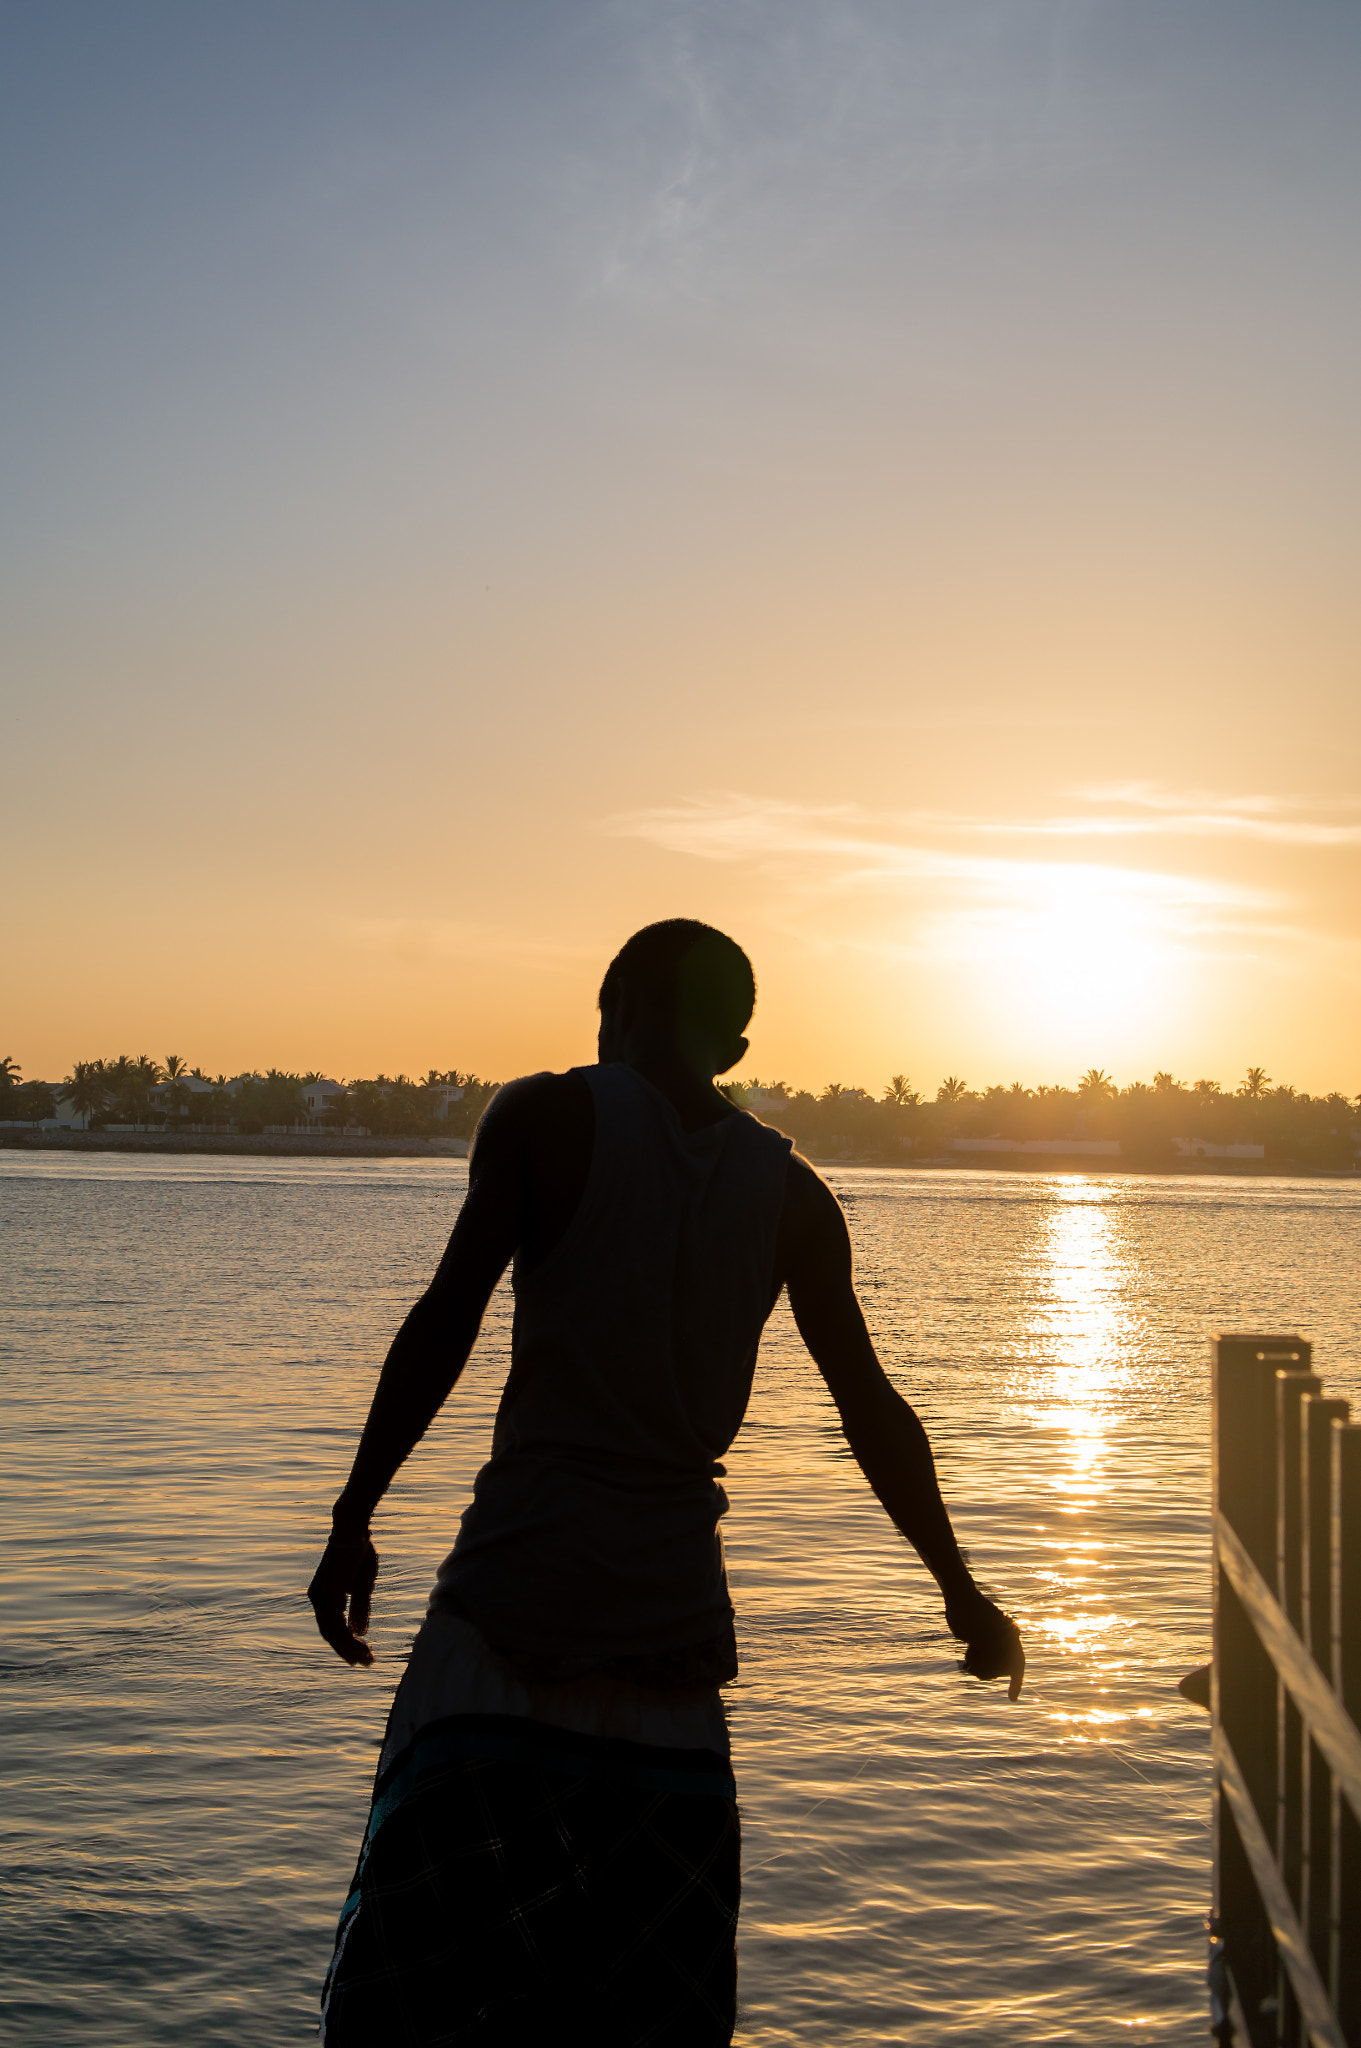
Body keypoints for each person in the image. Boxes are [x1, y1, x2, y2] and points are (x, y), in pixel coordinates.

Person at [309, 918, 1024, 2046]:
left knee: (410, 2011)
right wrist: (960, 1590)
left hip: (502, 1635)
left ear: (613, 1007)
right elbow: (872, 1410)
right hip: (672, 1672)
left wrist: (354, 1516)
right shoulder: (792, 1195)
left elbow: (446, 1318)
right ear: (732, 1045)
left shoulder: (544, 1115)